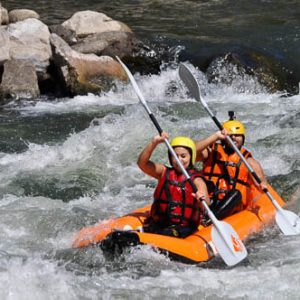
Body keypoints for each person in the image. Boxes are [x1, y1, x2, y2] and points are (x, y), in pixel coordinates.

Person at [195, 111, 268, 220]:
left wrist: (262, 186)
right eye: (230, 135)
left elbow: (263, 187)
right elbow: (190, 152)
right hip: (207, 203)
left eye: (237, 135)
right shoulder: (211, 152)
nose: (234, 137)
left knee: (236, 194)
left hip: (232, 208)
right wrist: (214, 137)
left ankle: (210, 220)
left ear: (243, 139)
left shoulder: (250, 162)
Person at [137, 132, 210, 237]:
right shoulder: (163, 172)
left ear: (191, 157)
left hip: (184, 227)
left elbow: (206, 201)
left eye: (183, 156)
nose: (178, 160)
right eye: (175, 156)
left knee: (168, 233)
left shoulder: (196, 179)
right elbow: (142, 164)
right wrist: (154, 143)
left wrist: (201, 198)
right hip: (160, 223)